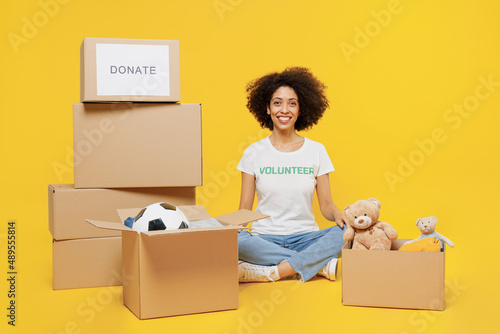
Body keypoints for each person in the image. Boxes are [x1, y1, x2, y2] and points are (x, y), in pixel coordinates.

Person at [237, 67, 347, 283]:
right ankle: (317, 265)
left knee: (347, 234)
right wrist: (231, 231)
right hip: (264, 238)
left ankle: (277, 270)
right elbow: (244, 210)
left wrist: (338, 216)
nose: (284, 110)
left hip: (306, 237)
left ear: (300, 109)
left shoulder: (317, 150)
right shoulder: (253, 152)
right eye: (277, 103)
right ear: (267, 108)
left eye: (292, 103)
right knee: (233, 242)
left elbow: (326, 204)